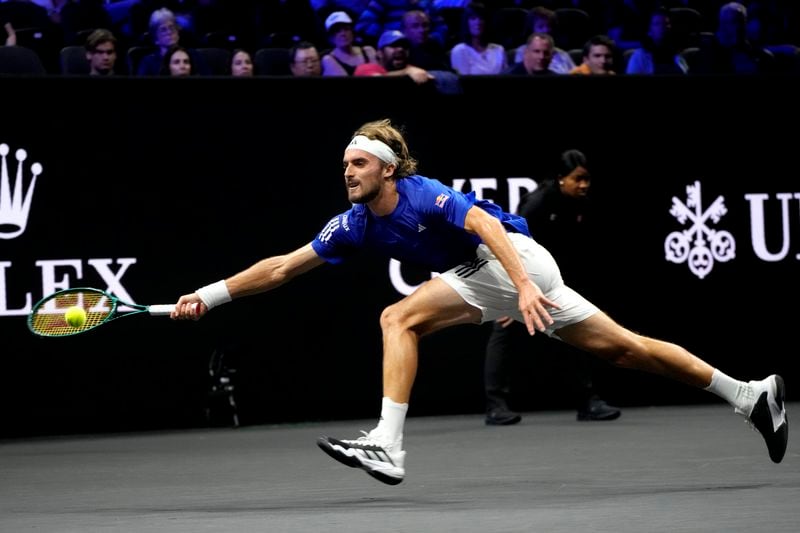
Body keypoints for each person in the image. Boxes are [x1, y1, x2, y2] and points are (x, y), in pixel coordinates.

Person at [170, 118, 788, 486]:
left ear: (387, 169)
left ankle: (388, 443)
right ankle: (748, 394)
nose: (347, 172)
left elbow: (490, 230)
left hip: (509, 260)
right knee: (626, 350)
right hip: (509, 276)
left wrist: (519, 285)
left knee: (397, 316)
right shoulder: (354, 221)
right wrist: (206, 295)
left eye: (358, 163)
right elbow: (282, 267)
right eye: (343, 164)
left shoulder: (422, 193)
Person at [484, 149, 620, 426]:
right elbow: (511, 245)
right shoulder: (537, 203)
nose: (583, 185)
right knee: (505, 331)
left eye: (587, 180)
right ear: (561, 178)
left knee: (577, 331)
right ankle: (495, 406)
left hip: (555, 281)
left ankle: (588, 401)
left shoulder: (583, 204)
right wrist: (517, 289)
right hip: (521, 279)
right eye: (577, 179)